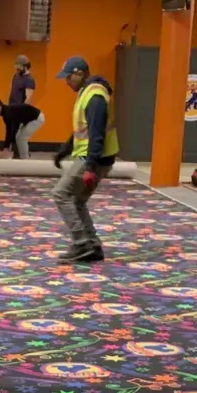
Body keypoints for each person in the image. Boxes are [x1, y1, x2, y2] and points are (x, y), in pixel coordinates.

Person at [51, 55, 119, 264]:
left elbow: (96, 133)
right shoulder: (86, 92)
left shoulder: (95, 96)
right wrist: (65, 150)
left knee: (61, 194)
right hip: (95, 156)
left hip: (94, 158)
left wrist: (90, 166)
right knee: (77, 200)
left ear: (79, 73)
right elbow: (84, 129)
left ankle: (81, 243)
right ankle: (93, 246)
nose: (66, 82)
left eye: (68, 77)